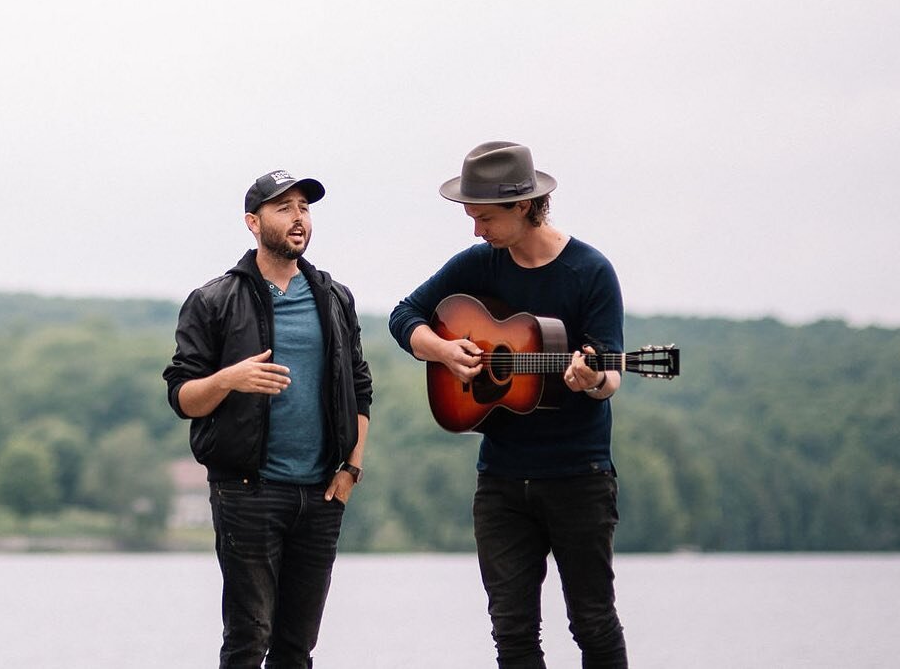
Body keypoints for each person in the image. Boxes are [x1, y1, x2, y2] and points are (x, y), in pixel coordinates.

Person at [389, 141, 628, 669]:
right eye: (471, 217)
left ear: (524, 205)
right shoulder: (480, 265)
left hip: (578, 476)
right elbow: (404, 315)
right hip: (500, 481)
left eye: (485, 217)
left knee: (592, 622)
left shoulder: (590, 272)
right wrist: (445, 350)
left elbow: (609, 375)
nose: (476, 230)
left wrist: (590, 379)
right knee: (512, 632)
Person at [164, 169, 372, 669]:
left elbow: (360, 388)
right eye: (284, 208)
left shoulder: (334, 297)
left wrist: (350, 470)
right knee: (247, 639)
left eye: (304, 208)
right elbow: (182, 397)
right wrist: (227, 379)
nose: (298, 218)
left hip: (322, 493)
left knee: (297, 647)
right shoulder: (214, 300)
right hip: (247, 491)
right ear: (252, 223)